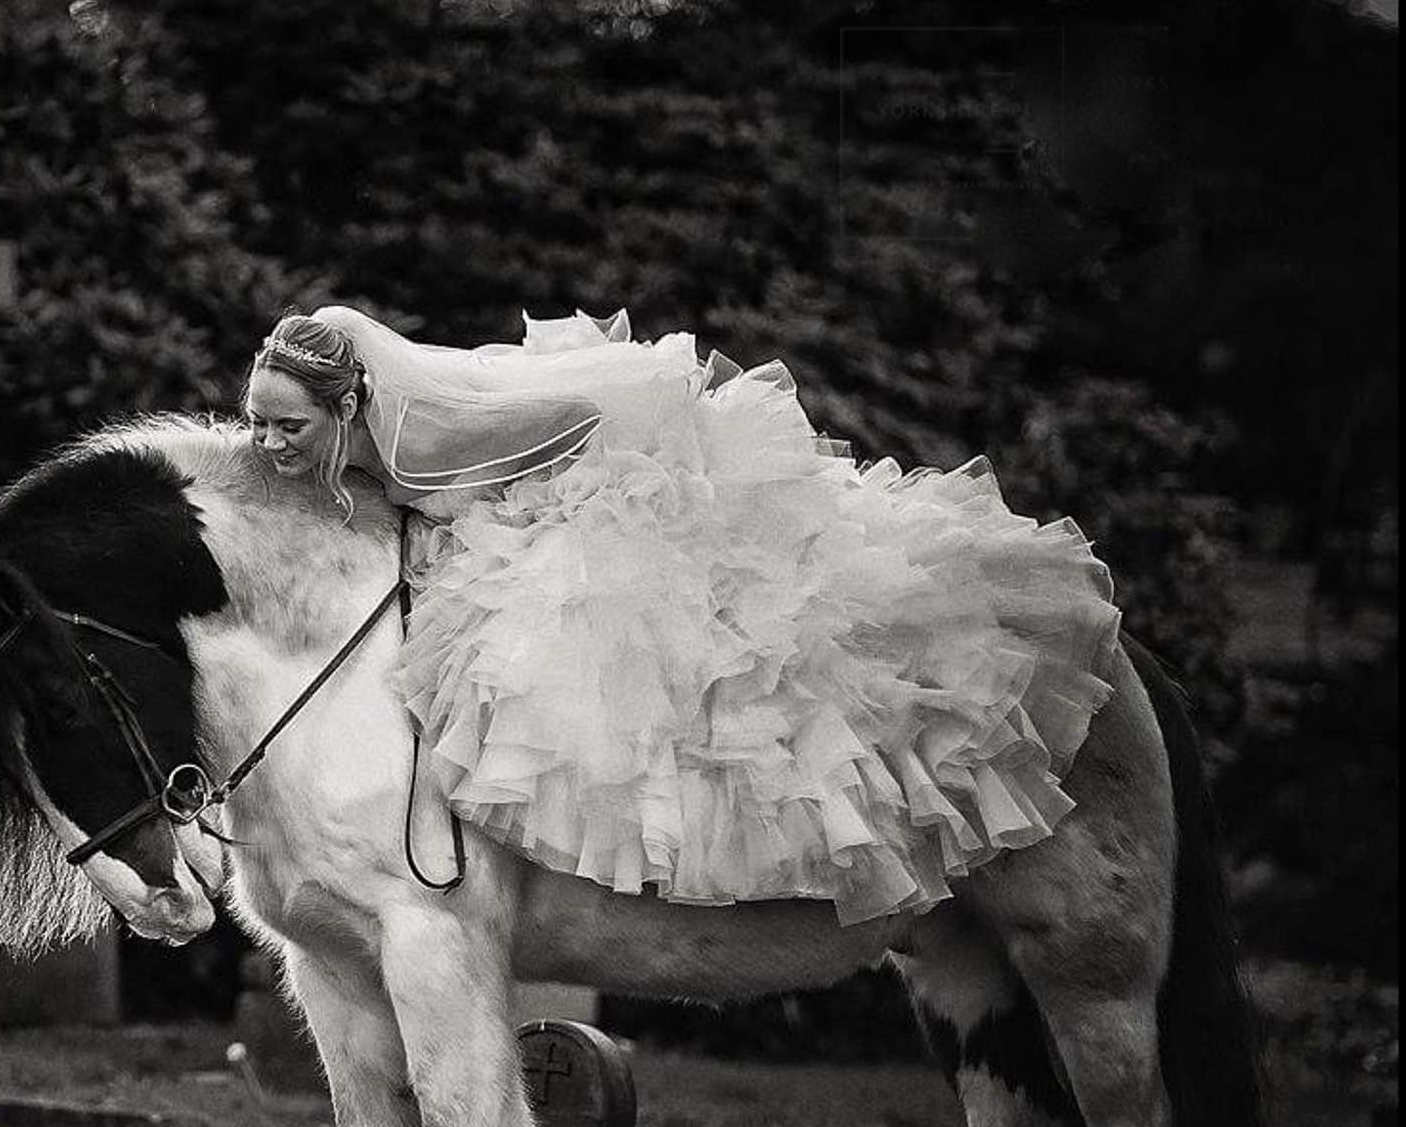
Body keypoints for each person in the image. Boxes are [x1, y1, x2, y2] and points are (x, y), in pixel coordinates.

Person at [240, 304, 1123, 926]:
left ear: (348, 407)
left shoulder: (427, 436)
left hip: (601, 480)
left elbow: (575, 420)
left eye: (288, 427)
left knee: (613, 659)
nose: (269, 445)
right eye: (258, 425)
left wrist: (475, 505)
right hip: (510, 502)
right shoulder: (319, 452)